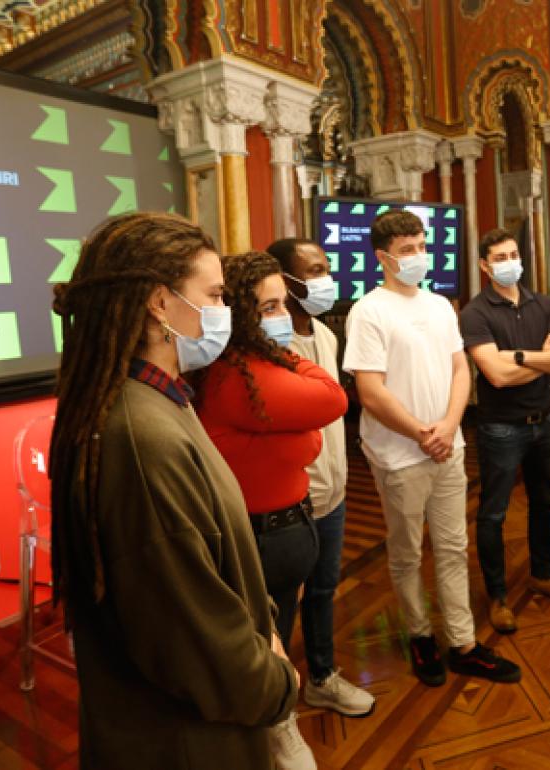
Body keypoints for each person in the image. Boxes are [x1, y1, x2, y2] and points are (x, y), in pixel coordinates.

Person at [49, 212, 299, 770]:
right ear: (160, 304)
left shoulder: (160, 399)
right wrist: (277, 680)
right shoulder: (143, 440)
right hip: (188, 741)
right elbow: (193, 638)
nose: (223, 311)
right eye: (213, 295)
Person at [343, 209, 521, 687]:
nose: (419, 256)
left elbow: (460, 370)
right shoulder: (369, 310)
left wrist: (448, 425)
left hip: (449, 445)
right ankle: (421, 637)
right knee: (405, 553)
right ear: (383, 258)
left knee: (452, 546)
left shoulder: (441, 305)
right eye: (407, 250)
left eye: (422, 246)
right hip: (400, 454)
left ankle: (462, 643)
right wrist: (424, 432)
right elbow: (370, 391)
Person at [195, 250, 349, 770]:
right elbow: (331, 397)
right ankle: (277, 734)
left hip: (288, 525)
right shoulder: (239, 376)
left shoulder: (256, 365)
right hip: (256, 539)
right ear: (239, 315)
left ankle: (279, 721)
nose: (283, 318)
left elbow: (305, 438)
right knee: (265, 647)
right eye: (268, 308)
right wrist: (298, 419)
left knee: (279, 635)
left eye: (282, 305)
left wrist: (295, 428)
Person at [266, 237, 376, 718]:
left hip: (334, 493)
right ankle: (276, 697)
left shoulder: (327, 337)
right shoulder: (270, 344)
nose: (324, 279)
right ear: (284, 281)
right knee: (280, 602)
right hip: (290, 499)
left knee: (325, 590)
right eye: (312, 272)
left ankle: (323, 677)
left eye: (325, 268)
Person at [459, 228, 550, 635]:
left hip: (543, 422)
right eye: (499, 257)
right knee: (493, 514)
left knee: (545, 502)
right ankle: (497, 596)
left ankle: (543, 574)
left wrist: (519, 357)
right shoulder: (475, 313)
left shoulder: (542, 302)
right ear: (484, 265)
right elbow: (495, 375)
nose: (509, 261)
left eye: (513, 254)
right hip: (499, 428)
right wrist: (543, 358)